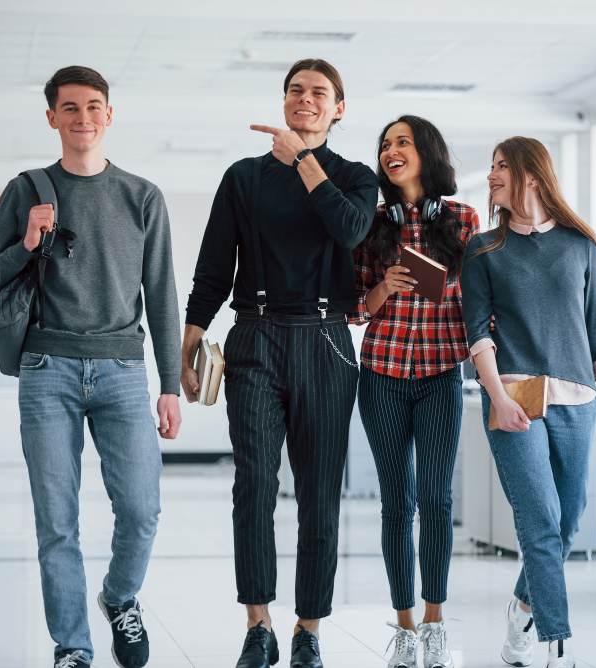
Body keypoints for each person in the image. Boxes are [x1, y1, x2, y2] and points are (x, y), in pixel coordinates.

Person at [0, 66, 182, 668]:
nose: (82, 117)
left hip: (120, 371)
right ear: (52, 118)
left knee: (141, 510)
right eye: (70, 108)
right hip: (47, 370)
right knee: (57, 523)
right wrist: (26, 245)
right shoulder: (26, 190)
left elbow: (162, 295)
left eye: (93, 106)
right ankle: (73, 647)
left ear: (109, 115)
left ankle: (118, 598)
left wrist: (171, 387)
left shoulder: (142, 196)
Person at [181, 59, 378, 668]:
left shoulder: (354, 176)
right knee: (255, 487)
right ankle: (259, 627)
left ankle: (308, 630)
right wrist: (186, 346)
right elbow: (213, 267)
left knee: (320, 495)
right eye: (296, 90)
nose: (306, 99)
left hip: (327, 342)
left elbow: (349, 231)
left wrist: (303, 161)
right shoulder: (242, 178)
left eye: (320, 93)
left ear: (338, 108)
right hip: (256, 340)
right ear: (284, 101)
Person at [460, 137, 596, 668]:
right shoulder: (483, 248)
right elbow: (478, 337)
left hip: (576, 400)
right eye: (491, 166)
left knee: (569, 519)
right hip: (513, 396)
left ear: (532, 176)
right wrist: (497, 397)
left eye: (501, 167)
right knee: (540, 516)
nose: (492, 174)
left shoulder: (579, 246)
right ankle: (555, 644)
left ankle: (522, 609)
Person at [352, 116, 478, 668]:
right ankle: (403, 627)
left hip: (440, 375)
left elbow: (479, 304)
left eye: (402, 142)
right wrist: (383, 285)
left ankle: (434, 623)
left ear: (427, 152)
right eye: (384, 145)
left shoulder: (464, 220)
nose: (391, 151)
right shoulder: (371, 224)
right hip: (381, 373)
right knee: (396, 502)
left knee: (437, 499)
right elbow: (355, 309)